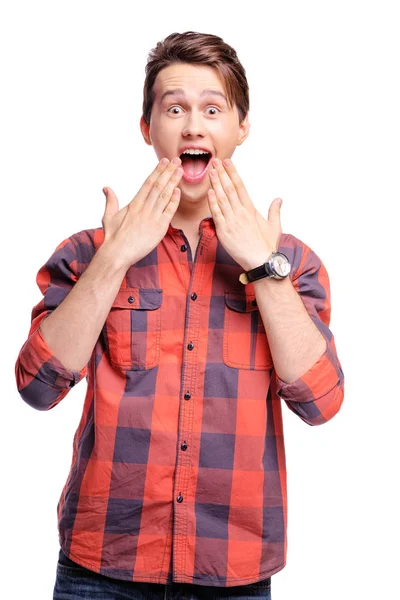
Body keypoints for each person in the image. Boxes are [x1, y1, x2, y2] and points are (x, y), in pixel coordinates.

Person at [15, 30, 345, 600]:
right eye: (174, 108)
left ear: (241, 127)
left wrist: (263, 268)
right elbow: (37, 387)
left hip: (234, 573)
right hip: (101, 569)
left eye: (212, 108)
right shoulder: (90, 253)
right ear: (148, 128)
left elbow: (321, 402)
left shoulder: (290, 262)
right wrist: (115, 257)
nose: (193, 125)